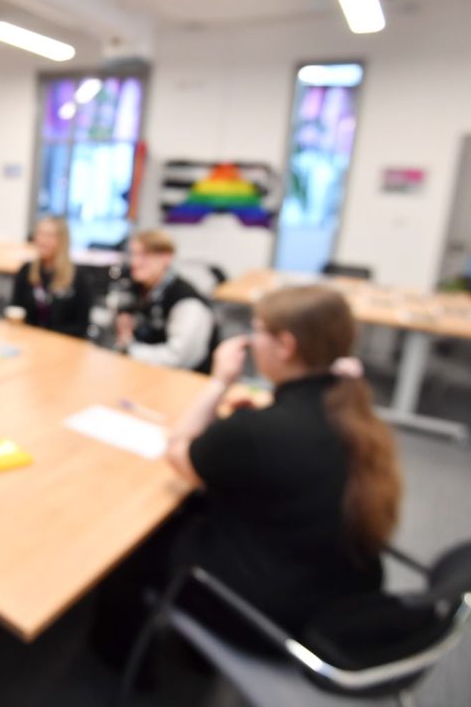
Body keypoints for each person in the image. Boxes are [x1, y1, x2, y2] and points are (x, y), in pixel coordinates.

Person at [164, 285, 402, 636]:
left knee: (154, 537)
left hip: (272, 616)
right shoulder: (351, 410)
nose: (250, 340)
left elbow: (176, 449)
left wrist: (219, 382)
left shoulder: (256, 432)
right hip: (342, 594)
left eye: (258, 330)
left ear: (286, 345)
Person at [114, 229, 218, 373]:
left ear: (166, 257)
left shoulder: (187, 302)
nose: (135, 262)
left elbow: (179, 358)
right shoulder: (137, 288)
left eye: (145, 255)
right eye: (133, 254)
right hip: (144, 371)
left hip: (182, 381)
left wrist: (129, 349)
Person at [10, 216, 91, 337]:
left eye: (49, 235)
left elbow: (82, 326)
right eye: (39, 233)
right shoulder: (26, 270)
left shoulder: (78, 277)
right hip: (30, 341)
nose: (42, 240)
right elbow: (16, 310)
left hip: (63, 344)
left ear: (62, 240)